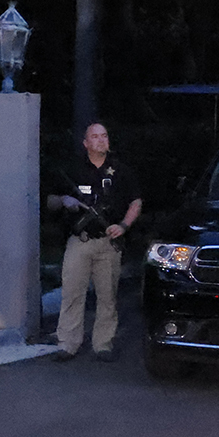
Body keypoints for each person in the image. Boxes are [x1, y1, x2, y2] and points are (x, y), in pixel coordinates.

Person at [51, 122, 142, 362]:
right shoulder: (73, 169)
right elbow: (50, 200)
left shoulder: (121, 170)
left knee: (107, 295)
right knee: (72, 293)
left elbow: (136, 202)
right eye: (95, 136)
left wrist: (123, 225)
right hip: (79, 241)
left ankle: (103, 344)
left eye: (104, 136)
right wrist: (64, 200)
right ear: (86, 143)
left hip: (108, 243)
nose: (101, 140)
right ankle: (67, 344)